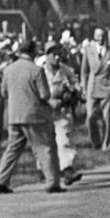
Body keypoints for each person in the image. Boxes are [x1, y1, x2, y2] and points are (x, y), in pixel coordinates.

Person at [0, 40, 63, 194]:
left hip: (14, 115)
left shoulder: (8, 70)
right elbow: (45, 94)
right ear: (32, 52)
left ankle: (0, 182)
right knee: (44, 148)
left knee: (12, 149)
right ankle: (52, 182)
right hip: (34, 116)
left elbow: (3, 93)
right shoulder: (36, 70)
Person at [42, 44, 83, 186]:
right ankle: (47, 171)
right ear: (47, 55)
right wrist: (48, 100)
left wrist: (72, 92)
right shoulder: (40, 70)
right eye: (54, 54)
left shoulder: (65, 70)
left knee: (63, 139)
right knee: (45, 142)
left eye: (59, 54)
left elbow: (76, 84)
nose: (58, 57)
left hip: (62, 111)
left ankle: (67, 170)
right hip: (44, 111)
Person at [81, 27, 110, 149]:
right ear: (94, 36)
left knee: (107, 118)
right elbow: (84, 71)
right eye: (98, 35)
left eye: (102, 35)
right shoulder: (88, 50)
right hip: (92, 87)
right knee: (90, 117)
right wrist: (84, 87)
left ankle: (106, 143)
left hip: (106, 87)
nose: (100, 38)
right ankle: (95, 142)